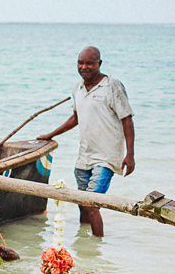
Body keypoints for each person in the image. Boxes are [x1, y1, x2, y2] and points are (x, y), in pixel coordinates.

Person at [38, 46, 136, 237]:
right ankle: (83, 246)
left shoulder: (112, 86)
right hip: (84, 156)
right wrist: (51, 134)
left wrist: (130, 154)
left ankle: (96, 250)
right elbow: (76, 118)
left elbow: (127, 119)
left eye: (90, 63)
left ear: (99, 63)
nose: (85, 67)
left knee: (91, 205)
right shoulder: (78, 88)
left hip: (106, 158)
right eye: (81, 63)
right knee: (82, 203)